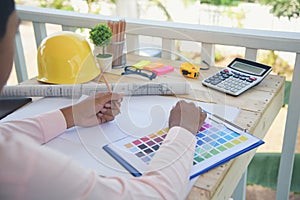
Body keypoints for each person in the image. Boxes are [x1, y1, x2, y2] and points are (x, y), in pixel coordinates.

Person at [0, 0, 207, 199]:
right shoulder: (12, 165)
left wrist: (71, 115)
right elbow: (153, 196)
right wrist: (183, 131)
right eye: (16, 31)